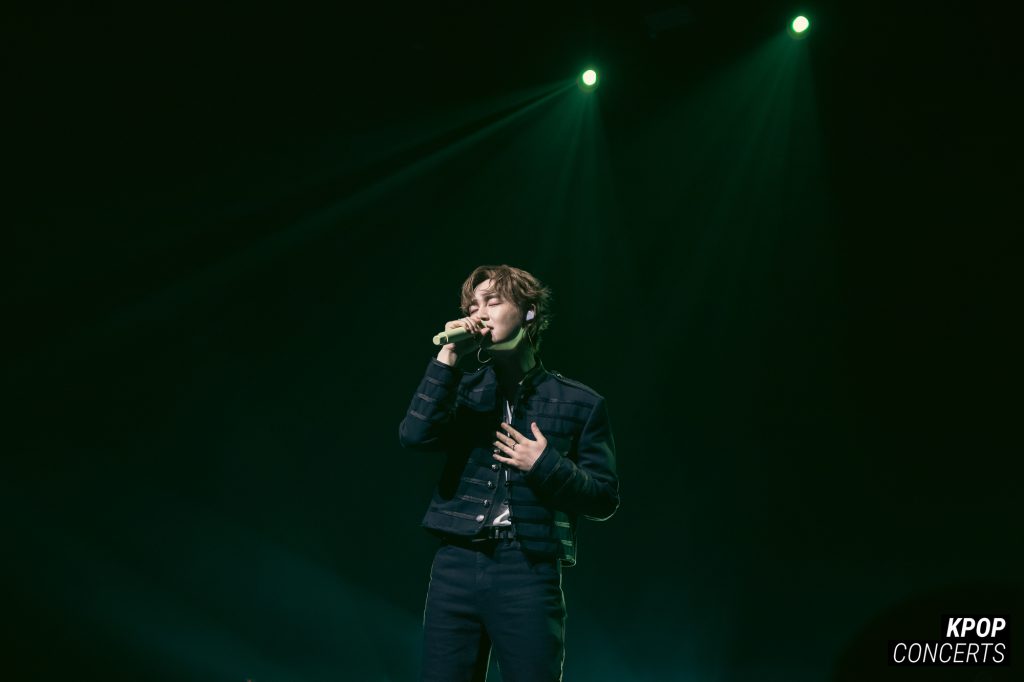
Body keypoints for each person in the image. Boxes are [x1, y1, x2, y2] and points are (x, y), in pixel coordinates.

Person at [399, 264, 620, 682]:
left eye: (492, 302)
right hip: (456, 563)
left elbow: (604, 497)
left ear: (529, 312)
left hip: (528, 567)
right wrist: (447, 358)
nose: (479, 313)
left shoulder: (580, 402)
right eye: (472, 306)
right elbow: (415, 435)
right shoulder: (462, 388)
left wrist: (544, 464)